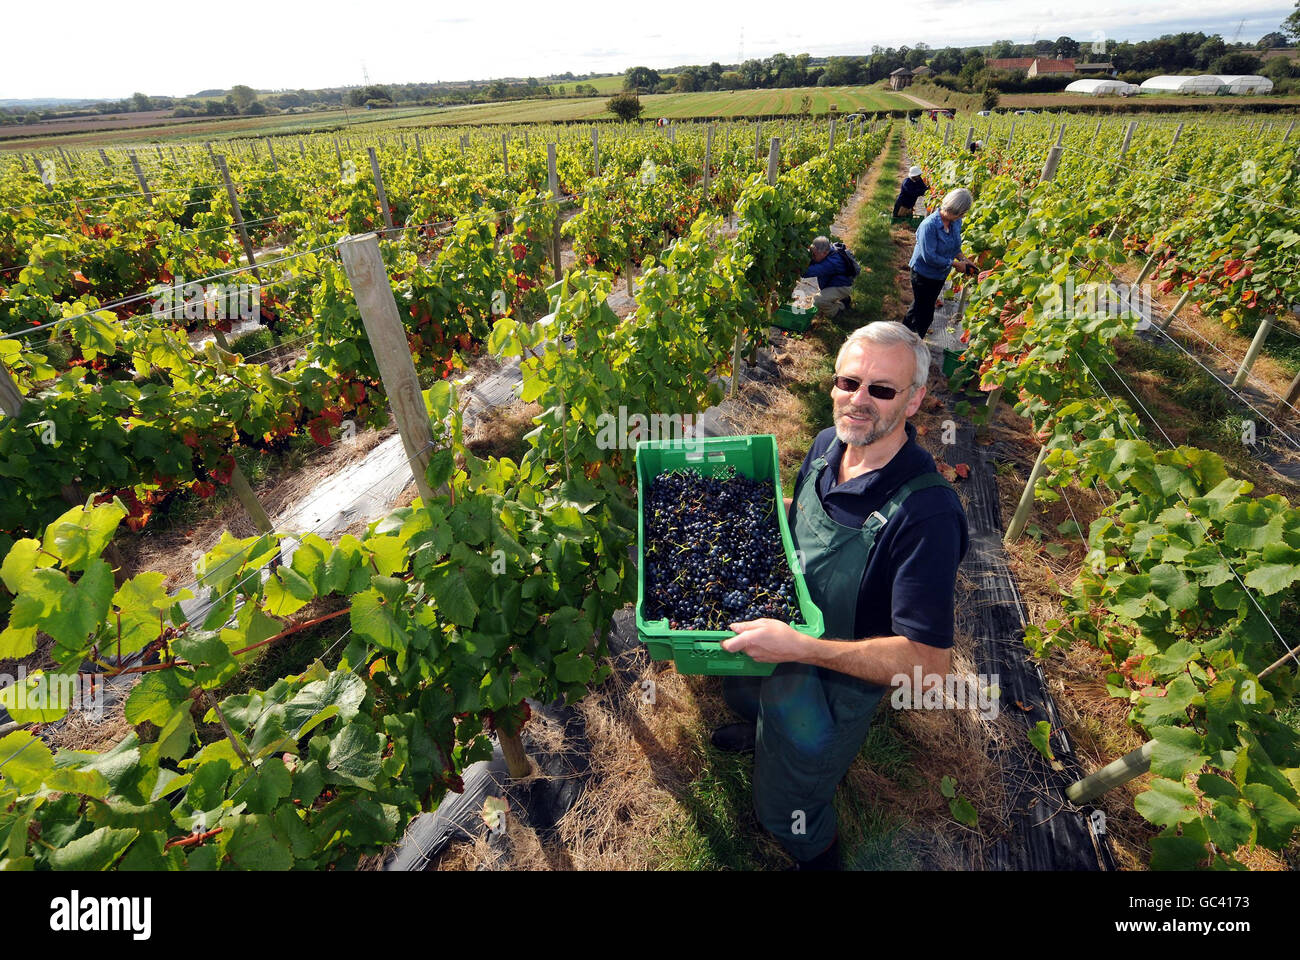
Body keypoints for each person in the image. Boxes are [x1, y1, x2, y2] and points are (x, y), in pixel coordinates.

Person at [711, 321, 969, 870]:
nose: (858, 401)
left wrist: (804, 650)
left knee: (790, 803)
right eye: (848, 382)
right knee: (753, 699)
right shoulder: (830, 445)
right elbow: (802, 514)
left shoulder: (926, 514)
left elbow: (928, 666)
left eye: (881, 389)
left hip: (833, 682)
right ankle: (763, 739)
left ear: (915, 399)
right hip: (780, 634)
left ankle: (813, 849)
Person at [904, 188, 977, 340]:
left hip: (939, 274)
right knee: (925, 314)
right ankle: (915, 343)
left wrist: (964, 259)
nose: (962, 216)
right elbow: (929, 257)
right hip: (923, 273)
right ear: (956, 211)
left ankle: (902, 334)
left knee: (920, 305)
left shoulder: (955, 222)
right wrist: (956, 265)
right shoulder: (929, 226)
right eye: (962, 213)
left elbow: (954, 246)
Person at [801, 236, 855, 318]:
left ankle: (838, 310)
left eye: (814, 255)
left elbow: (809, 272)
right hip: (834, 283)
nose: (812, 257)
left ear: (824, 253)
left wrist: (796, 267)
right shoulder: (827, 251)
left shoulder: (833, 262)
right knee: (815, 296)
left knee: (817, 301)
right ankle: (843, 299)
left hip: (842, 286)